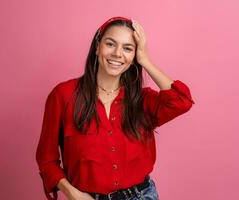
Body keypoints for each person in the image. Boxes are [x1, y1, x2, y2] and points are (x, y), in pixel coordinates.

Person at [36, 16, 195, 200]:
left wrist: (145, 60)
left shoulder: (142, 100)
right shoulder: (63, 95)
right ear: (97, 47)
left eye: (128, 48)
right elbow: (46, 159)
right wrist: (72, 193)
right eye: (110, 44)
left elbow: (181, 100)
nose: (118, 54)